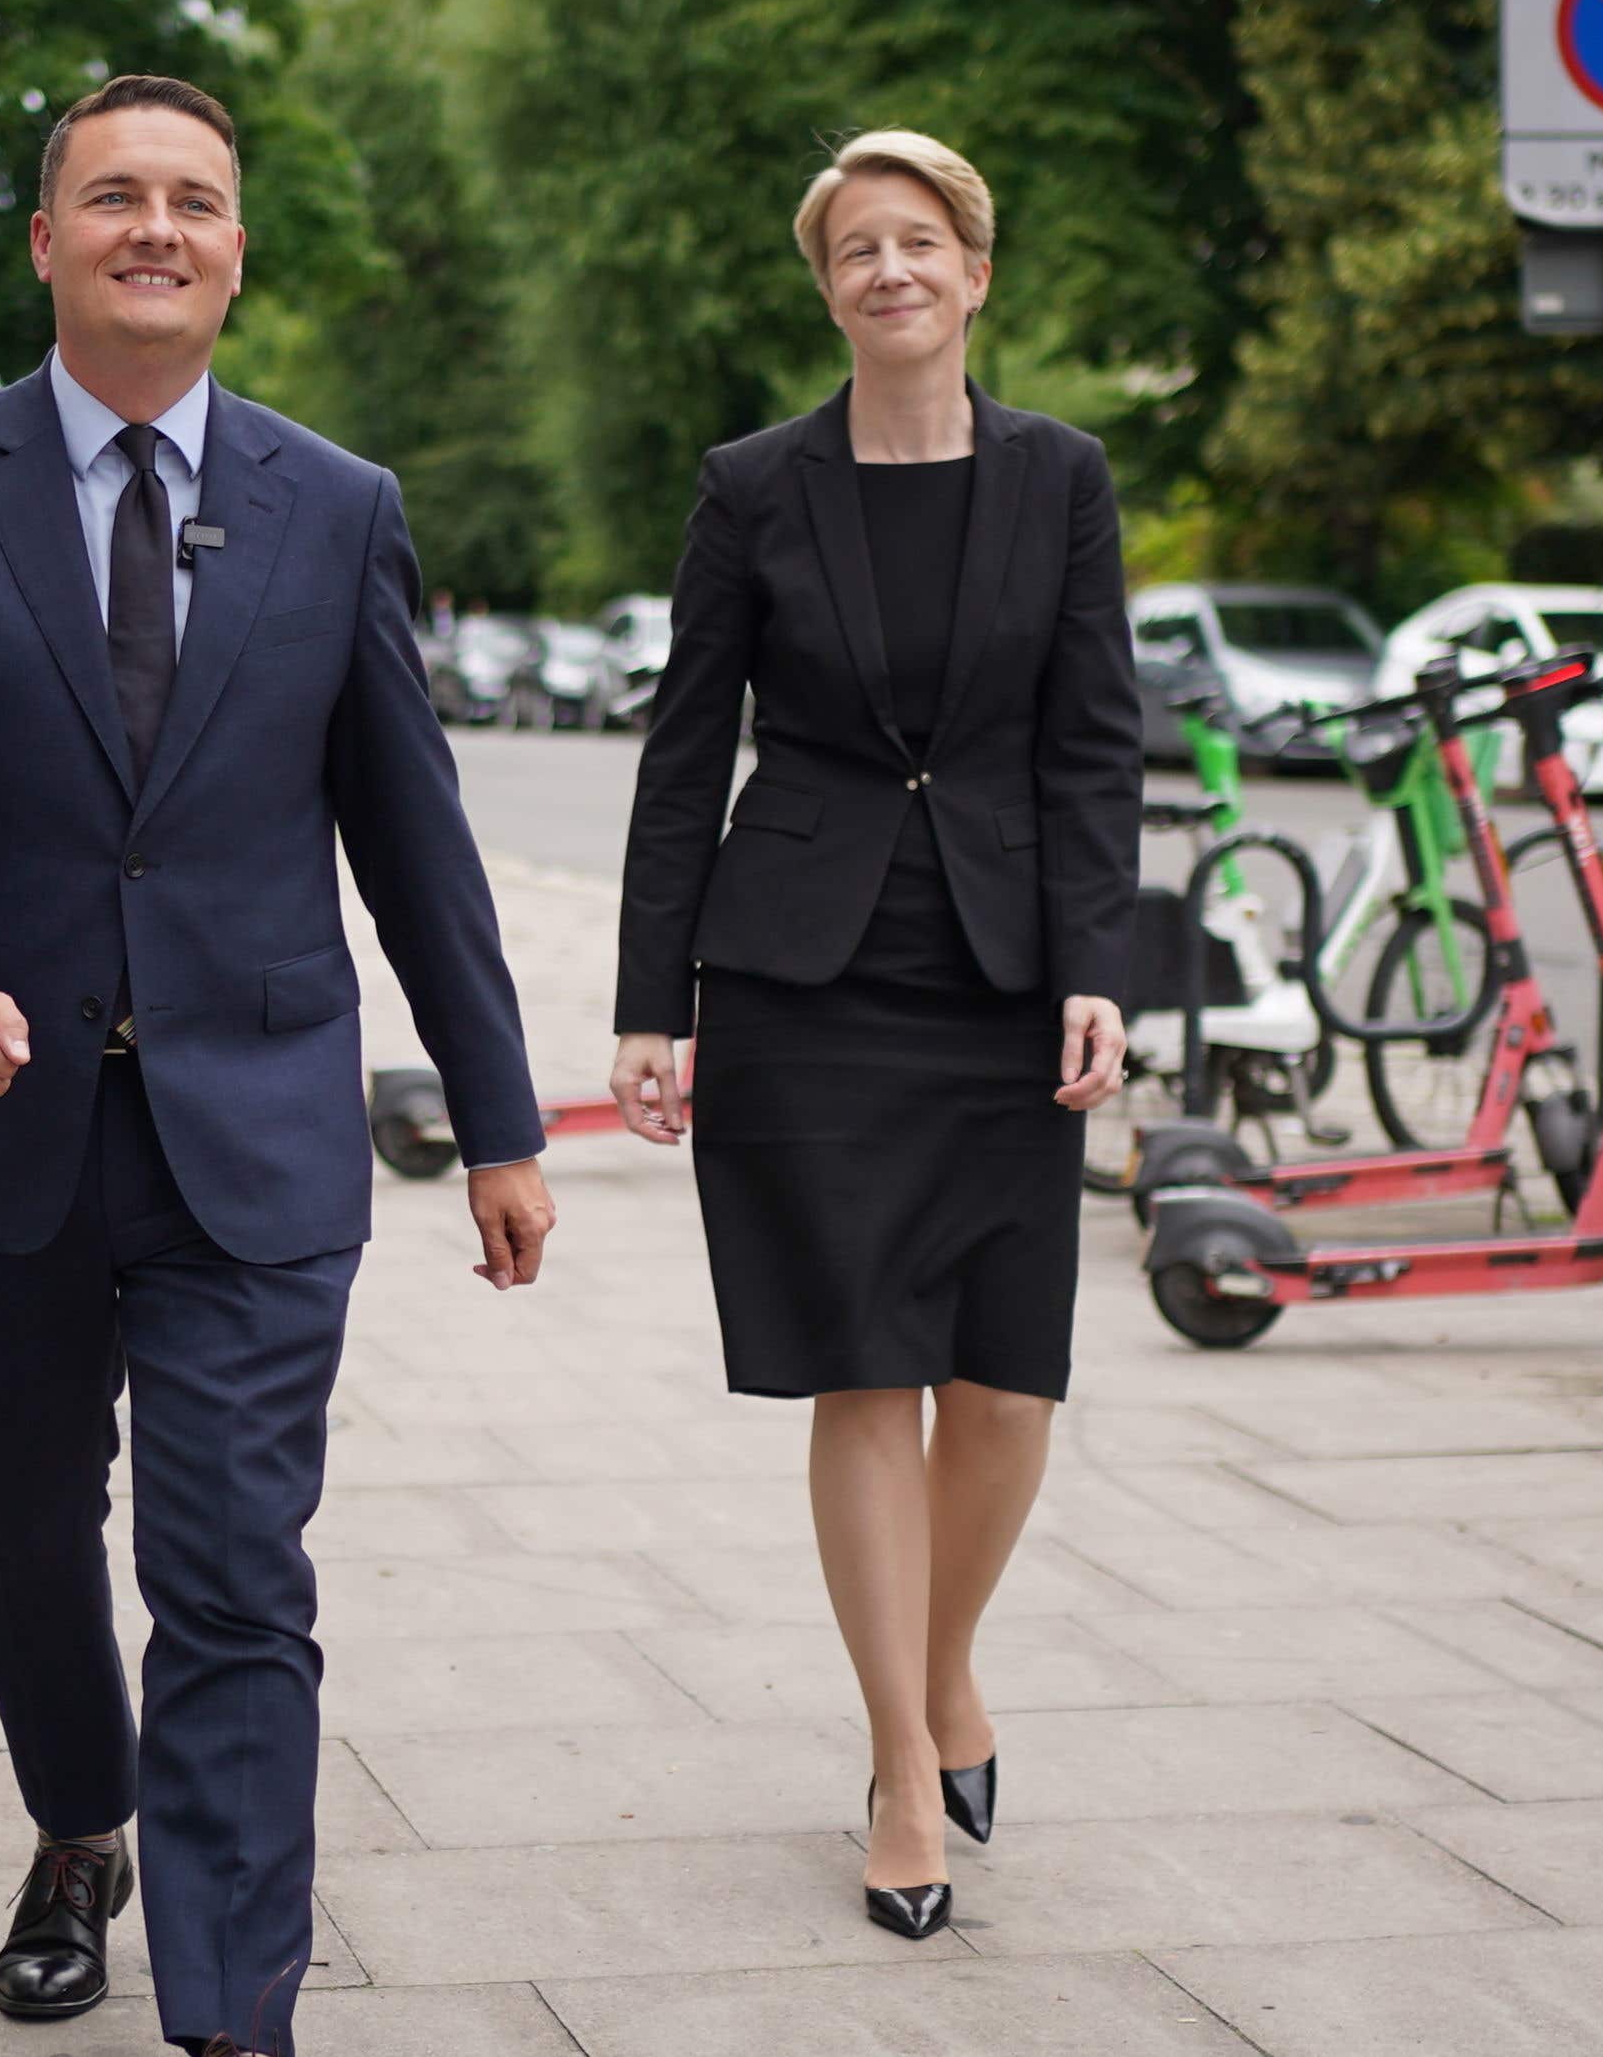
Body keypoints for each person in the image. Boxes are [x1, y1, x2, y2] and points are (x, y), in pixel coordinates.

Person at [0, 73, 556, 2057]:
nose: (155, 228)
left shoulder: (337, 504)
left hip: (257, 1131)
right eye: (112, 197)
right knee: (23, 1522)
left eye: (194, 200)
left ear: (234, 249)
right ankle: (75, 1820)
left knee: (230, 1572)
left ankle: (232, 2012)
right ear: (45, 242)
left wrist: (499, 1120)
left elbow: (415, 836)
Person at [609, 129, 1139, 1938]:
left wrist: (1100, 960)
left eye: (922, 242)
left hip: (999, 974)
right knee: (864, 1362)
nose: (891, 269)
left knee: (1005, 1377)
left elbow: (1093, 740)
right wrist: (646, 1004)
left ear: (975, 273)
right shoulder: (754, 486)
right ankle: (902, 1765)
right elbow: (687, 752)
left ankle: (947, 1666)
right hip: (803, 980)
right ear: (827, 284)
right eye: (858, 247)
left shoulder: (1061, 476)